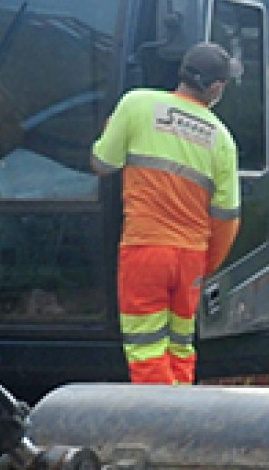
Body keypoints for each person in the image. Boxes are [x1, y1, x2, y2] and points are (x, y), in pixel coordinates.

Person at [89, 41, 242, 385]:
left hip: (144, 251)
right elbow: (227, 217)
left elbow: (102, 163)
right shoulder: (222, 139)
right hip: (190, 258)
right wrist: (206, 263)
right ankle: (183, 417)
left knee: (145, 347)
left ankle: (160, 426)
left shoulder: (137, 104)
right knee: (181, 346)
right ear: (215, 87)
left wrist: (108, 130)